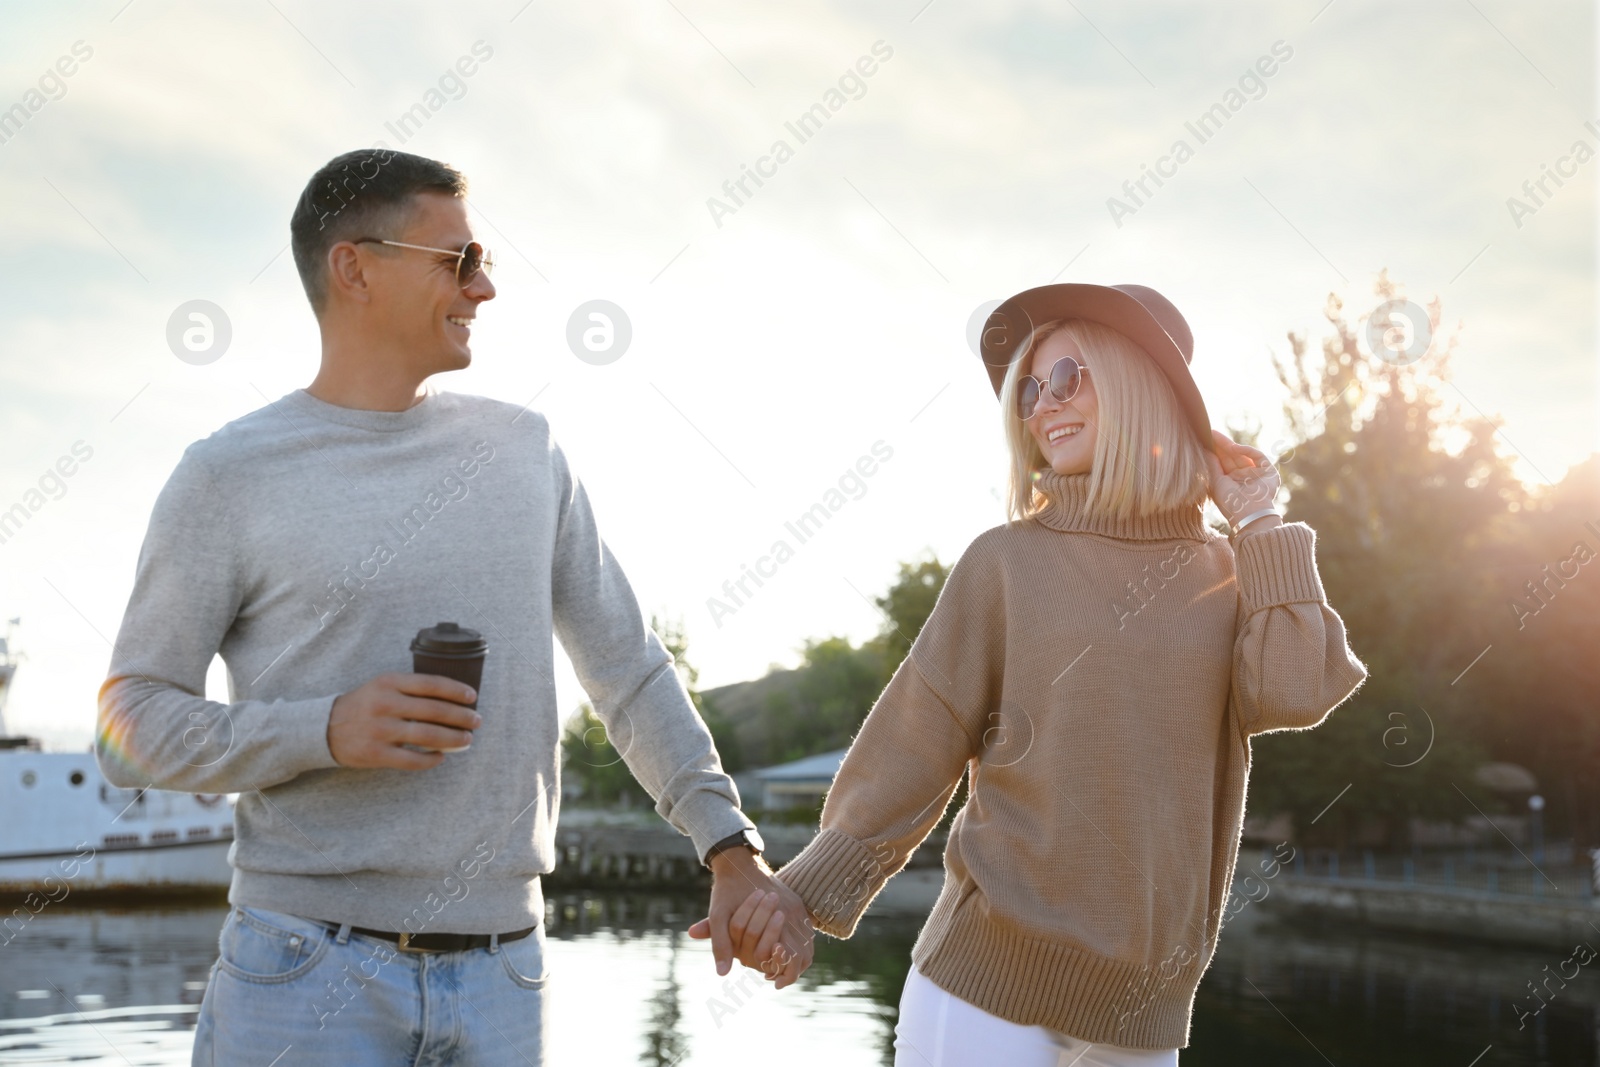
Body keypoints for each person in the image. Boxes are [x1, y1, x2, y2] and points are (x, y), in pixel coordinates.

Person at [95, 148, 810, 1067]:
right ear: (355, 266)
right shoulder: (227, 476)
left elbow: (628, 670)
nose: (486, 289)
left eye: (484, 263)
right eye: (458, 261)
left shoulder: (524, 451)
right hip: (301, 974)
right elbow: (129, 728)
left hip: (505, 980)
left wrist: (730, 846)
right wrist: (325, 730)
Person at [761, 284, 1369, 1065]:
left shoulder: (1228, 571)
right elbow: (919, 738)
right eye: (1028, 388)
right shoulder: (1005, 561)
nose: (1043, 404)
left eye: (1069, 376)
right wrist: (801, 894)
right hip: (983, 991)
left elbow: (1294, 690)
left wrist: (1257, 520)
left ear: (1140, 386)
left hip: (1145, 1012)